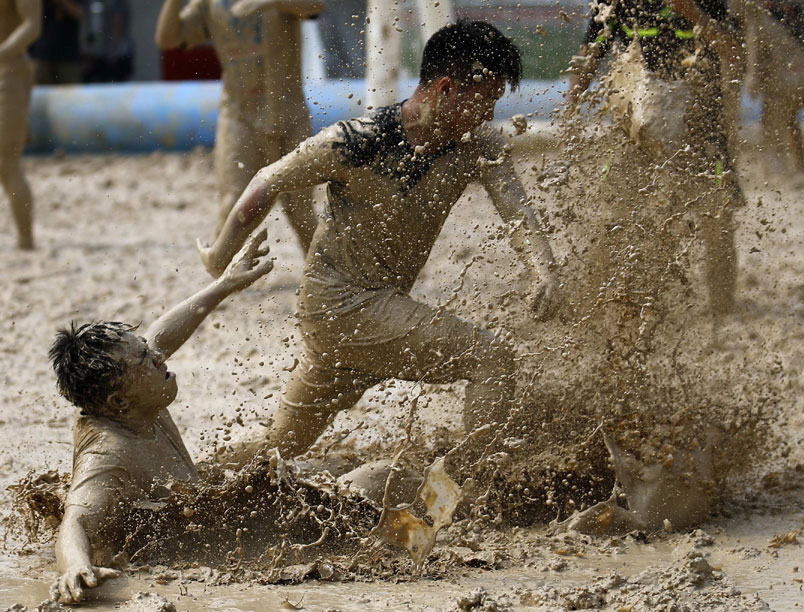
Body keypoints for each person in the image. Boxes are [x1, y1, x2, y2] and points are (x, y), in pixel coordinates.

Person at [198, 20, 560, 459]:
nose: (489, 116)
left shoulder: (477, 142)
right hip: (341, 305)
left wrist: (544, 270)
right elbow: (266, 180)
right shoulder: (358, 141)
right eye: (484, 101)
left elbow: (517, 211)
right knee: (491, 359)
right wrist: (220, 257)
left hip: (356, 314)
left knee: (279, 447)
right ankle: (469, 485)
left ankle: (194, 480)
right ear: (445, 88)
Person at [48, 232, 272, 604]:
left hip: (204, 526)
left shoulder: (136, 398)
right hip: (185, 557)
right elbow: (75, 521)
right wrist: (75, 567)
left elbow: (162, 334)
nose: (159, 358)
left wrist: (225, 283)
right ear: (118, 400)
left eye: (149, 350)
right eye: (144, 359)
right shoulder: (109, 454)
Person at [568, 0, 746, 317]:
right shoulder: (614, 2)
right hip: (636, 131)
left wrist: (692, 13)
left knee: (716, 217)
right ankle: (607, 301)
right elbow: (589, 53)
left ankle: (724, 306)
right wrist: (571, 108)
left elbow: (734, 53)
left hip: (700, 127)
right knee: (618, 213)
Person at [155, 0, 321, 249]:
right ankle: (223, 277)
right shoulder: (208, 4)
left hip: (289, 114)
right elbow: (167, 40)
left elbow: (314, 6)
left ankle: (325, 276)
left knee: (301, 211)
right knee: (233, 204)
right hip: (239, 114)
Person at [743, 0, 804, 171]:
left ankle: (776, 169)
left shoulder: (760, 19)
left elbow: (754, 53)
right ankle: (800, 165)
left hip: (784, 80)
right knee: (791, 119)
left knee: (770, 126)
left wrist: (752, 82)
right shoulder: (796, 12)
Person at [0, 0, 40, 250]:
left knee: (8, 162)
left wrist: (2, 52)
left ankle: (25, 240)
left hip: (7, 72)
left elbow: (32, 26)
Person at [29, 0, 84, 84]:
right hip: (39, 52)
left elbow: (80, 13)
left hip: (68, 54)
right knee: (37, 93)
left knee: (71, 92)